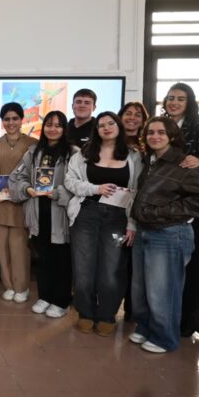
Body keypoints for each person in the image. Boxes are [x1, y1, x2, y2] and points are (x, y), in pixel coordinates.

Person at [130, 117, 199, 353]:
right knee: (140, 289)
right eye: (150, 132)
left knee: (163, 291)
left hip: (169, 234)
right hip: (145, 230)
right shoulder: (150, 161)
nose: (155, 136)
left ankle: (164, 338)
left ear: (172, 136)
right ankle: (146, 327)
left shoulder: (183, 163)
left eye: (161, 132)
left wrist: (164, 212)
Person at [65, 111, 142, 336]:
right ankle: (85, 312)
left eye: (111, 124)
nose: (106, 128)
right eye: (101, 125)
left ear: (118, 126)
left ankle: (107, 314)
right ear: (96, 130)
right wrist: (95, 189)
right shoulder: (83, 154)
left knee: (112, 269)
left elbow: (138, 191)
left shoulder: (133, 156)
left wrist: (132, 224)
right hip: (86, 215)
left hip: (119, 219)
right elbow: (70, 181)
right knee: (83, 268)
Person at [162, 82, 199, 337]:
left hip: (194, 205)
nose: (174, 102)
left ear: (189, 102)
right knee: (170, 262)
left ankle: (192, 314)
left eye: (180, 99)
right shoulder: (161, 126)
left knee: (195, 261)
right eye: (171, 97)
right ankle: (170, 314)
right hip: (167, 204)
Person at [9, 110, 74, 318]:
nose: (52, 129)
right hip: (38, 212)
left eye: (58, 125)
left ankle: (61, 301)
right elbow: (16, 177)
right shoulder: (33, 151)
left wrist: (58, 193)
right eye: (49, 124)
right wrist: (27, 189)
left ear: (64, 129)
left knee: (61, 260)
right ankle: (45, 296)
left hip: (61, 214)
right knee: (43, 258)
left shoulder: (73, 153)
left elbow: (78, 184)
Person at [0, 102, 37, 302]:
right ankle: (8, 285)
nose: (11, 122)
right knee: (2, 246)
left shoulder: (33, 143)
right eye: (6, 119)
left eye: (15, 118)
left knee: (19, 246)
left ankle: (21, 286)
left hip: (22, 202)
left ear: (22, 120)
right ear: (2, 121)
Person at [118, 100, 149, 321]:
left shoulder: (148, 148)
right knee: (114, 263)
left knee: (135, 265)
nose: (132, 118)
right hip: (112, 211)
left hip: (137, 213)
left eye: (138, 115)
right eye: (128, 113)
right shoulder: (109, 144)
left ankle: (132, 309)